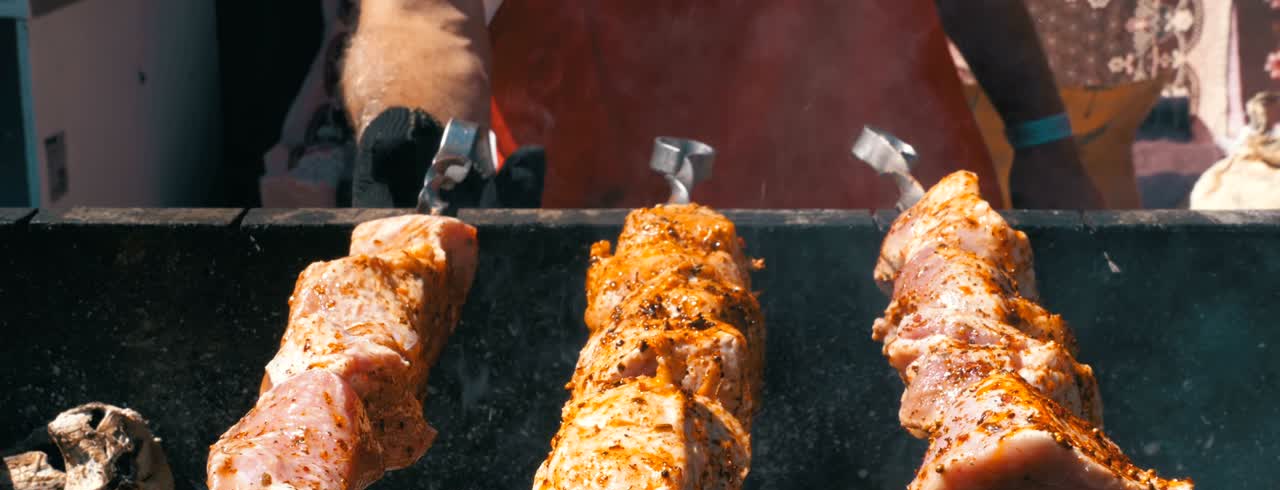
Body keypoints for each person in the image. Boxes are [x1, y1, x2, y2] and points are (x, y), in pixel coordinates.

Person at [341, 0, 1103, 210]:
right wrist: (423, 148)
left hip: (900, 209)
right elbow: (422, 13)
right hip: (614, 229)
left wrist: (1045, 141)